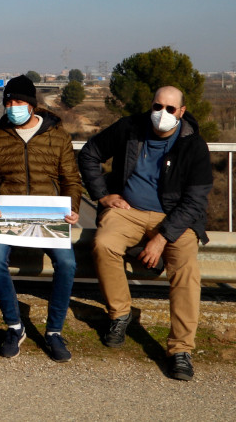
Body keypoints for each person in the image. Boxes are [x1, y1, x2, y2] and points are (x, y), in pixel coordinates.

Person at [78, 86, 212, 381]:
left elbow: (195, 201)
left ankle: (180, 349)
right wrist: (102, 196)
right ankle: (120, 314)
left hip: (175, 217)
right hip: (128, 210)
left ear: (182, 112)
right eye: (157, 106)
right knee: (103, 244)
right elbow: (90, 154)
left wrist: (162, 238)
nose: (161, 114)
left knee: (186, 269)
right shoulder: (130, 129)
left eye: (170, 109)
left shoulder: (194, 146)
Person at [0, 75, 82, 362]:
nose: (14, 107)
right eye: (9, 102)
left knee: (67, 262)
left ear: (32, 105)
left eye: (20, 102)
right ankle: (14, 326)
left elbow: (71, 180)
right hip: (8, 218)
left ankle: (54, 331)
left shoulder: (58, 136)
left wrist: (73, 208)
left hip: (50, 218)